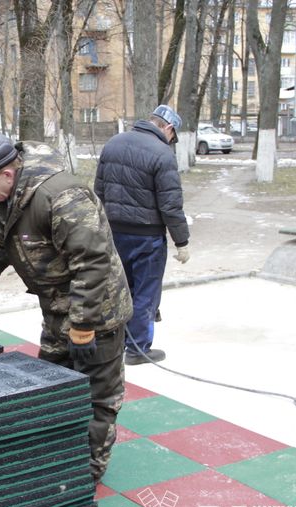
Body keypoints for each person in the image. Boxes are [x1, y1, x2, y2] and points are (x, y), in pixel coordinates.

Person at [0, 133, 133, 484]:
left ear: (7, 174)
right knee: (50, 387)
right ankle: (54, 456)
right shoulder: (7, 202)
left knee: (97, 397)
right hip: (58, 312)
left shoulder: (62, 195)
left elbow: (93, 263)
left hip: (98, 315)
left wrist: (84, 327)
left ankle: (86, 473)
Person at [94, 105, 190, 366]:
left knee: (119, 288)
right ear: (168, 128)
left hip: (114, 233)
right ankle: (138, 349)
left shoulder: (113, 143)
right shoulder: (162, 153)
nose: (172, 141)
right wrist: (182, 241)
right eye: (174, 135)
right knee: (146, 293)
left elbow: (98, 191)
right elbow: (170, 206)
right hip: (147, 238)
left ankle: (115, 342)